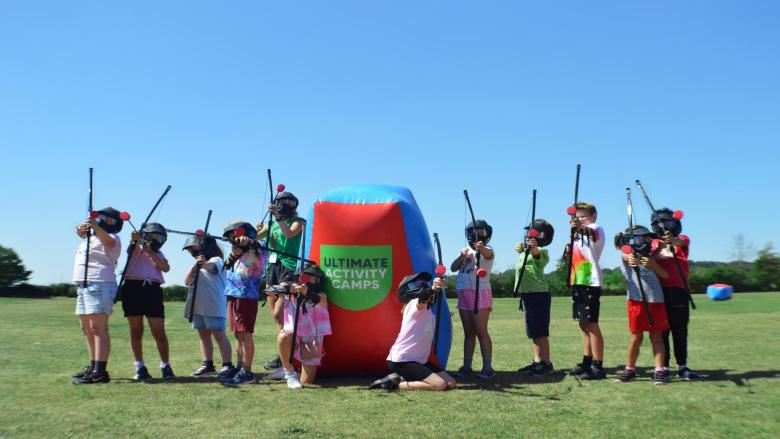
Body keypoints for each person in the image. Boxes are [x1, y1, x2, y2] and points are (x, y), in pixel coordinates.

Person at [372, 272, 456, 391]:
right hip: (402, 360)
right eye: (417, 283)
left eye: (424, 283)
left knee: (451, 383)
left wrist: (433, 290)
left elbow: (425, 298)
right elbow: (423, 298)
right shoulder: (413, 305)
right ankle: (392, 384)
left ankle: (402, 378)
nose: (423, 285)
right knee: (440, 385)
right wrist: (433, 288)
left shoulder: (426, 310)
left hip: (418, 360)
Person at [71, 207, 123, 384]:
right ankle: (93, 366)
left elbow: (108, 243)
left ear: (115, 222)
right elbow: (87, 237)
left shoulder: (114, 238)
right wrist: (81, 230)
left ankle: (101, 371)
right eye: (102, 216)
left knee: (98, 328)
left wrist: (96, 227)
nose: (102, 219)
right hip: (83, 285)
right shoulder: (91, 238)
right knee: (86, 328)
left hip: (99, 283)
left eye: (108, 218)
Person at [614, 227, 671, 385]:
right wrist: (631, 257)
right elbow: (627, 256)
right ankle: (630, 369)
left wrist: (653, 264)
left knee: (656, 336)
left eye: (648, 239)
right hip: (636, 301)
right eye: (644, 239)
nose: (648, 241)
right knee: (636, 337)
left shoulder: (651, 257)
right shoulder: (626, 255)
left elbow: (665, 275)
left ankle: (660, 370)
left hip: (656, 301)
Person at [256, 191, 304, 371]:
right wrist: (258, 228)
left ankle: (293, 351)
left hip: (289, 267)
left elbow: (289, 234)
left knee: (280, 314)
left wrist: (277, 218)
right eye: (282, 201)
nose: (286, 204)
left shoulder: (298, 222)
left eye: (290, 201)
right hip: (272, 269)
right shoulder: (273, 224)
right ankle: (282, 355)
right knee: (276, 318)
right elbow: (256, 237)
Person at [120, 223, 174, 381]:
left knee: (159, 331)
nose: (156, 239)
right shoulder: (135, 248)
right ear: (146, 234)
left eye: (158, 236)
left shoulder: (158, 253)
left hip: (152, 289)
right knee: (136, 330)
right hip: (132, 287)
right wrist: (134, 240)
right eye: (153, 235)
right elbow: (130, 250)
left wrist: (151, 252)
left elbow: (165, 268)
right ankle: (140, 366)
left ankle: (165, 365)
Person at [651, 208, 700, 380]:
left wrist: (672, 241)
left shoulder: (683, 239)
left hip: (679, 292)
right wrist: (661, 246)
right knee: (662, 331)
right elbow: (651, 259)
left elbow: (681, 242)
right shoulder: (653, 243)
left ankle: (682, 366)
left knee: (679, 330)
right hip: (659, 293)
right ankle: (663, 366)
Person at [220, 221, 268, 386]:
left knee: (245, 333)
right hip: (233, 294)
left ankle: (247, 371)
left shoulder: (258, 247)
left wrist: (248, 242)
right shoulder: (239, 249)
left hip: (246, 295)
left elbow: (255, 246)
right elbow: (227, 265)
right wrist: (235, 253)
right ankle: (240, 366)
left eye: (234, 235)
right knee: (237, 334)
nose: (233, 239)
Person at [182, 235, 234, 379]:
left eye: (194, 249)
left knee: (219, 334)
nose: (193, 252)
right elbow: (186, 281)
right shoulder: (196, 265)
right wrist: (195, 267)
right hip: (198, 307)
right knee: (203, 335)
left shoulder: (216, 260)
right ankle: (208, 364)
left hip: (213, 305)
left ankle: (227, 365)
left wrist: (202, 264)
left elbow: (211, 267)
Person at [566, 202, 607, 380]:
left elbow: (590, 233)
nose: (580, 219)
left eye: (583, 216)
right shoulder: (577, 233)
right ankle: (586, 361)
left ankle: (598, 366)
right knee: (583, 324)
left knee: (592, 324)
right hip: (578, 280)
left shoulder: (596, 228)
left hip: (590, 280)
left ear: (593, 216)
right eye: (578, 217)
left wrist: (579, 227)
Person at [274, 264, 332, 389]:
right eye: (305, 276)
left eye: (312, 277)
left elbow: (316, 298)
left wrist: (307, 292)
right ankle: (289, 374)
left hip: (311, 342)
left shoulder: (322, 296)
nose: (307, 280)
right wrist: (289, 289)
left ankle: (293, 372)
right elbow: (273, 289)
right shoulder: (292, 294)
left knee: (306, 382)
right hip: (293, 337)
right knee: (283, 337)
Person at [451, 220, 496, 379]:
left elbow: (488, 254)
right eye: (471, 232)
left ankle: (488, 367)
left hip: (480, 292)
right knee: (468, 332)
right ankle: (467, 366)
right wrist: (463, 255)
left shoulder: (487, 249)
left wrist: (480, 247)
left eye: (479, 232)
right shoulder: (466, 251)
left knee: (481, 331)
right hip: (464, 293)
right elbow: (453, 268)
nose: (474, 235)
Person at [514, 219, 555, 376]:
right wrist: (522, 249)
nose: (528, 236)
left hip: (539, 294)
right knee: (533, 331)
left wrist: (533, 247)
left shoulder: (542, 251)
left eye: (532, 233)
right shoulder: (525, 251)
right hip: (527, 294)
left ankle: (546, 362)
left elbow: (536, 255)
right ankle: (537, 361)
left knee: (541, 331)